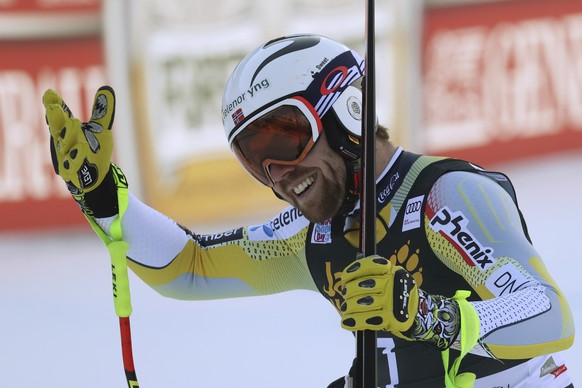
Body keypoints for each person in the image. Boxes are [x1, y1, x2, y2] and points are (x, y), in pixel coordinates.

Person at [43, 33, 575, 387]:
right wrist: (102, 198)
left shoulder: (445, 195)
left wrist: (425, 314)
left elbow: (547, 312)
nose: (278, 172)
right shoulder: (315, 235)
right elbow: (192, 267)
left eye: (285, 139)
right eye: (255, 158)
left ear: (349, 113)